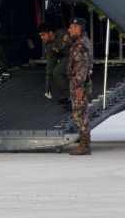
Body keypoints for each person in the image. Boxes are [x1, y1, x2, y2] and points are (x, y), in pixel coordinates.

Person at [67, 17, 94, 155]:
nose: (69, 30)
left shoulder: (80, 45)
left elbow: (82, 68)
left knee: (80, 114)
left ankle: (84, 145)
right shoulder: (80, 42)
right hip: (78, 83)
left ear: (78, 29)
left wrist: (78, 87)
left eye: (71, 27)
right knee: (80, 113)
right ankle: (84, 143)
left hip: (79, 84)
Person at [37, 22, 73, 105]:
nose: (42, 38)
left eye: (43, 35)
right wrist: (47, 88)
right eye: (40, 36)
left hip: (78, 55)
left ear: (50, 33)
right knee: (56, 72)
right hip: (68, 56)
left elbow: (78, 45)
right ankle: (65, 96)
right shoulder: (49, 45)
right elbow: (50, 65)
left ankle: (73, 97)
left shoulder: (62, 34)